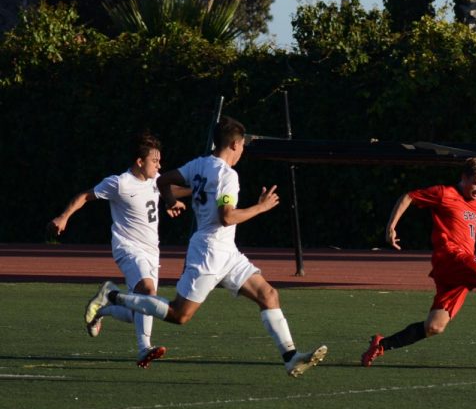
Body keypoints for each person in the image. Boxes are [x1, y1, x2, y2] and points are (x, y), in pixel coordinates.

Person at [84, 116, 327, 377]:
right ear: (235, 144)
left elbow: (162, 180)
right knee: (180, 315)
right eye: (243, 146)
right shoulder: (227, 176)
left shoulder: (199, 164)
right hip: (209, 252)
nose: (242, 151)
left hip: (226, 252)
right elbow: (227, 217)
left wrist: (168, 200)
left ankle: (290, 357)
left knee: (268, 295)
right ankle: (113, 296)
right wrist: (261, 207)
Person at [361, 156, 476, 367]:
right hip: (452, 257)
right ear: (464, 177)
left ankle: (381, 345)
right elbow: (408, 196)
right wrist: (391, 226)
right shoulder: (445, 194)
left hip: (459, 270)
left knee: (434, 326)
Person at [49, 131, 173, 368]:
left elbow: (173, 191)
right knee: (147, 293)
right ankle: (143, 348)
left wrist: (195, 191)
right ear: (139, 162)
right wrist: (63, 217)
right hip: (128, 248)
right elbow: (86, 195)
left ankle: (105, 305)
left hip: (151, 252)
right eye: (155, 161)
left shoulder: (156, 180)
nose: (159, 165)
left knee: (137, 310)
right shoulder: (120, 183)